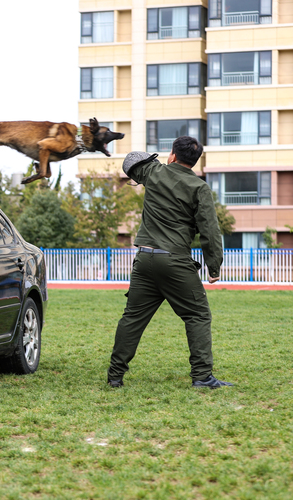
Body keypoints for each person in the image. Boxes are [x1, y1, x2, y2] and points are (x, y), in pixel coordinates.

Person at [107, 136, 232, 389]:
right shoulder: (199, 187)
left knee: (132, 318)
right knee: (198, 314)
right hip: (174, 261)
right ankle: (202, 377)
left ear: (173, 155)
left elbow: (131, 160)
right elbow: (210, 229)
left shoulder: (154, 172)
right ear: (195, 161)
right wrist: (213, 266)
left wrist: (153, 161)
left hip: (144, 260)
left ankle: (115, 376)